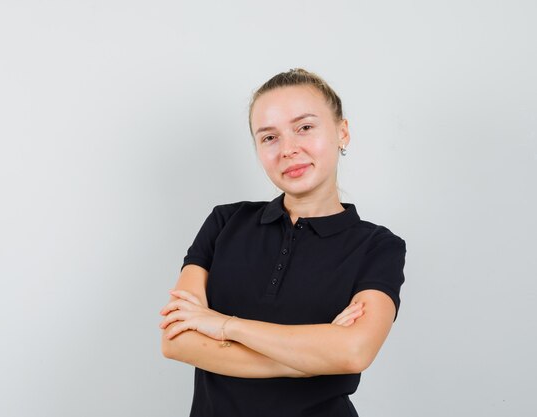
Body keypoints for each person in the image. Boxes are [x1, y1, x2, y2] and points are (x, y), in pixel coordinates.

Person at [159, 68, 406, 417]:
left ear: (342, 132)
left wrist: (225, 325)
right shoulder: (225, 222)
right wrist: (309, 360)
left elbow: (353, 352)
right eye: (269, 137)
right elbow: (176, 340)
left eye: (304, 127)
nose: (288, 149)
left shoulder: (378, 246)